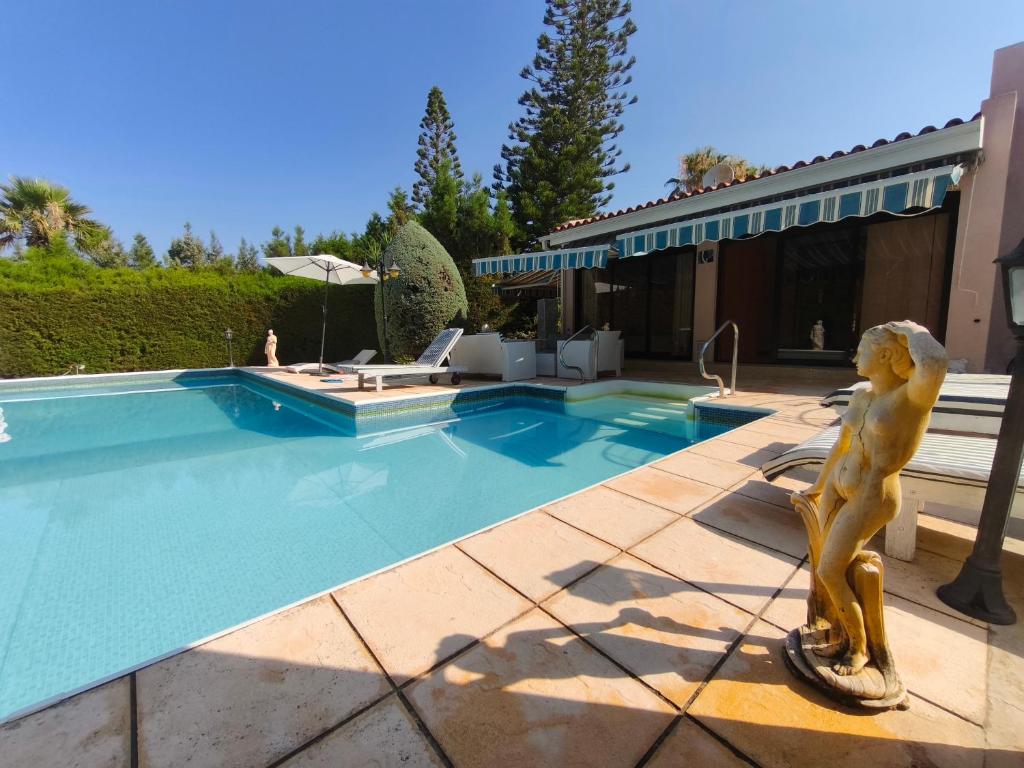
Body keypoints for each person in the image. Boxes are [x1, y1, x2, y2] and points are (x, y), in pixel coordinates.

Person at [791, 320, 947, 676]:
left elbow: (935, 363)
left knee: (831, 570)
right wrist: (818, 485)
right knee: (821, 561)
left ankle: (860, 648)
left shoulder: (912, 398)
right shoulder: (862, 395)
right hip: (838, 484)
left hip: (872, 494)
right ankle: (828, 621)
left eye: (861, 350)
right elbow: (842, 444)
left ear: (887, 354)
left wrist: (910, 329)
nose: (854, 357)